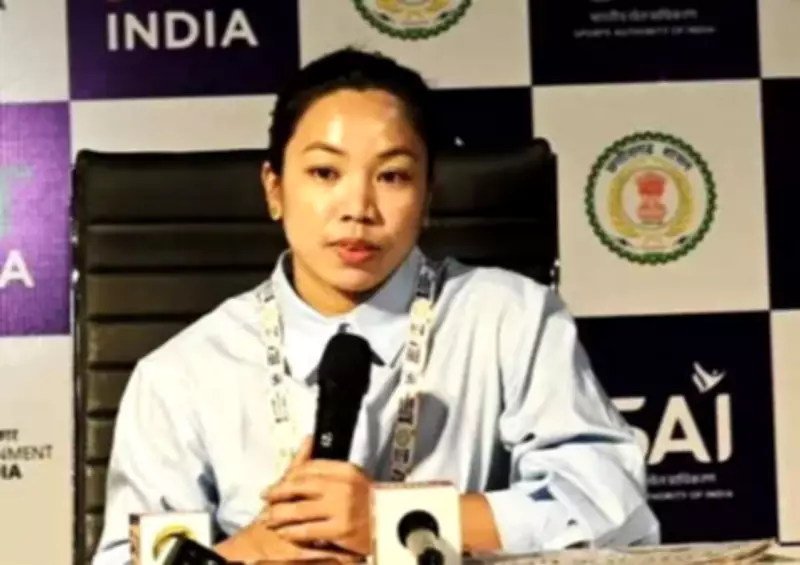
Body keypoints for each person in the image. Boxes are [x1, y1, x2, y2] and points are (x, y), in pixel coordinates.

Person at [92, 47, 659, 565]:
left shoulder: (511, 320)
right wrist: (252, 553)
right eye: (324, 173)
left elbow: (615, 511)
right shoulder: (180, 374)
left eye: (392, 176)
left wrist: (390, 520)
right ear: (274, 188)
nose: (358, 208)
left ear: (428, 196)